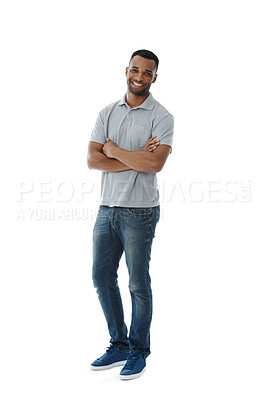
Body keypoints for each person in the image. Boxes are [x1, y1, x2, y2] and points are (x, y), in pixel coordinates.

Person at [87, 49, 174, 380]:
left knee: (137, 282)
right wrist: (135, 157)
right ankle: (118, 344)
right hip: (106, 208)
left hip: (140, 212)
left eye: (147, 72)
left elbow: (155, 164)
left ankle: (138, 350)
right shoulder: (107, 112)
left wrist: (114, 151)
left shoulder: (162, 117)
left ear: (155, 77)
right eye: (135, 69)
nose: (139, 76)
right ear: (127, 70)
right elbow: (93, 161)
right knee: (101, 277)